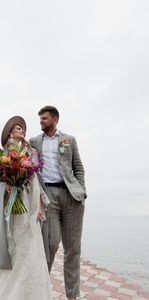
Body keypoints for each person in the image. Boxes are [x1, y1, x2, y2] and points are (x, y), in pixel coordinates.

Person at [30, 106, 87, 300]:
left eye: (44, 118)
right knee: (51, 243)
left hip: (72, 196)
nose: (41, 122)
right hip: (49, 195)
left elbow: (78, 167)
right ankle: (41, 290)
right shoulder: (34, 142)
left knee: (73, 249)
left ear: (55, 119)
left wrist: (82, 191)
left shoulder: (69, 140)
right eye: (40, 119)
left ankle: (72, 296)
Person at [0, 116, 53, 300]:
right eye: (18, 128)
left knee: (32, 248)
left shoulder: (31, 153)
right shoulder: (4, 156)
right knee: (16, 249)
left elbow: (36, 182)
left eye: (23, 128)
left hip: (30, 206)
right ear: (9, 133)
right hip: (12, 209)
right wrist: (5, 188)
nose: (22, 131)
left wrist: (39, 207)